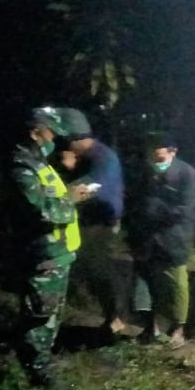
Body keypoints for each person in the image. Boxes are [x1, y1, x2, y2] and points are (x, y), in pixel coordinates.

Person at [9, 107, 90, 387]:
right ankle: (37, 371)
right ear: (35, 133)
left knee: (51, 314)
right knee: (39, 315)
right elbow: (40, 210)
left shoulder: (38, 163)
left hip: (57, 254)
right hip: (42, 254)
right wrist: (70, 199)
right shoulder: (21, 168)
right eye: (51, 133)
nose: (54, 139)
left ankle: (43, 359)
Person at [125, 132, 195, 349]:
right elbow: (133, 199)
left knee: (175, 283)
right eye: (150, 156)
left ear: (173, 151)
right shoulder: (142, 170)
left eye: (158, 157)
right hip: (144, 236)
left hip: (174, 236)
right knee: (145, 281)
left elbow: (186, 209)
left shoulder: (186, 173)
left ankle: (178, 329)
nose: (153, 161)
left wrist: (155, 209)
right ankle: (150, 327)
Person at [61, 108, 128, 337]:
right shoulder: (89, 157)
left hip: (101, 221)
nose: (67, 147)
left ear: (76, 139)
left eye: (68, 141)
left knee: (100, 267)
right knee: (92, 266)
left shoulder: (102, 157)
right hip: (90, 219)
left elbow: (88, 188)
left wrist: (66, 181)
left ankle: (116, 317)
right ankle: (112, 315)